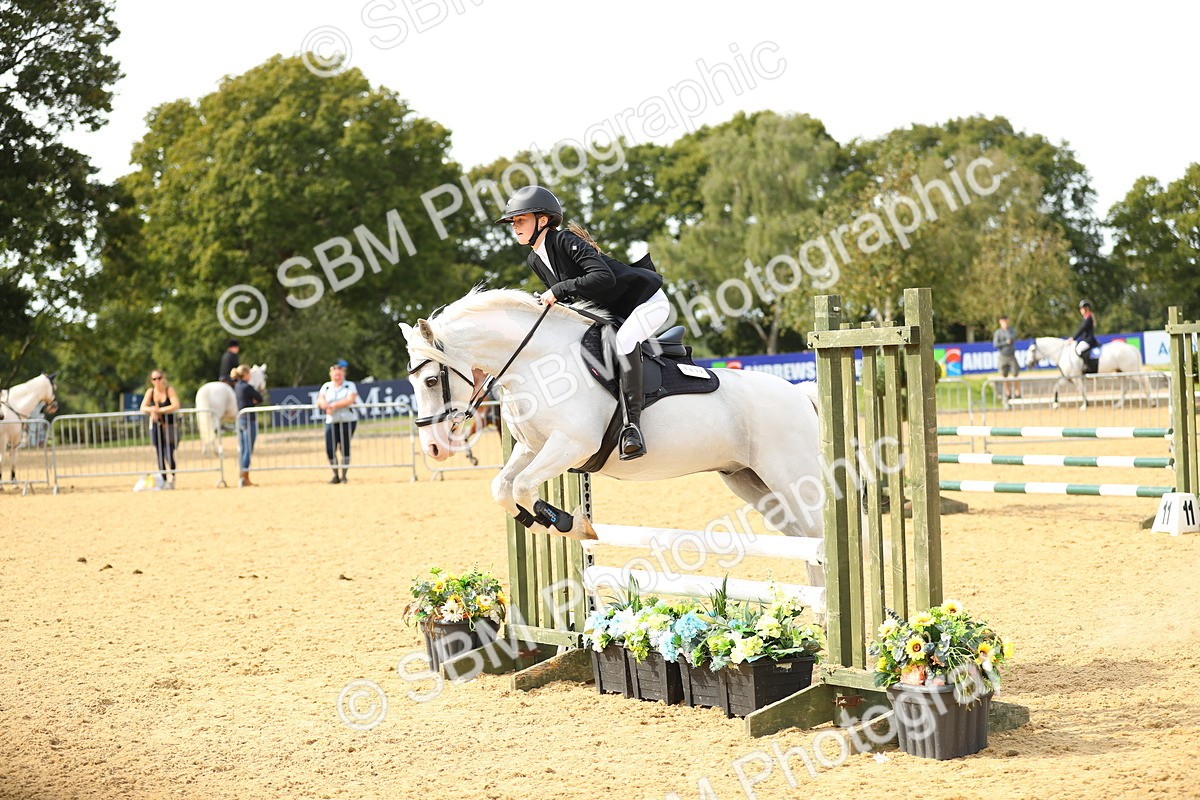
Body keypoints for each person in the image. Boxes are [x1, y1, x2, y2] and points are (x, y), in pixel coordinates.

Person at [494, 186, 668, 460]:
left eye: (521, 220)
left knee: (624, 341)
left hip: (645, 303)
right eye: (513, 222)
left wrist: (559, 290)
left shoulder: (564, 241)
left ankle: (631, 426)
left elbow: (603, 278)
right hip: (611, 312)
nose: (515, 227)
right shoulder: (535, 259)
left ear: (543, 220)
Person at [317, 359, 358, 484]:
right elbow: (320, 400)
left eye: (339, 372)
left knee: (344, 447)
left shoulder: (349, 385)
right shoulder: (326, 386)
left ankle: (344, 476)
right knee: (330, 448)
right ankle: (335, 475)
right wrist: (325, 406)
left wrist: (333, 405)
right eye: (334, 372)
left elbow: (350, 399)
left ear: (343, 374)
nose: (337, 374)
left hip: (347, 420)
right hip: (332, 421)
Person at [139, 369, 181, 489]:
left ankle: (172, 477)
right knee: (159, 454)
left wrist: (160, 410)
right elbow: (143, 407)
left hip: (169, 427)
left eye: (159, 378)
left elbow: (176, 405)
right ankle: (163, 479)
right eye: (154, 379)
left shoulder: (169, 390)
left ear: (163, 378)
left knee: (169, 453)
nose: (157, 381)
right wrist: (152, 409)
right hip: (156, 427)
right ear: (151, 381)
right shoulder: (150, 392)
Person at [232, 364, 263, 487]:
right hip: (249, 420)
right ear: (245, 374)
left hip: (240, 420)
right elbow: (259, 398)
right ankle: (244, 476)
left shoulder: (237, 387)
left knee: (243, 449)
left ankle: (242, 475)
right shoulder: (247, 387)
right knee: (248, 450)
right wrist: (253, 401)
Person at [992, 315, 1021, 401]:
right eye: (1003, 321)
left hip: (1011, 355)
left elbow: (1011, 339)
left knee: (1015, 374)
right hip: (1003, 356)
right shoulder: (997, 333)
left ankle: (1017, 393)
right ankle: (1008, 393)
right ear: (1000, 322)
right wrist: (1005, 342)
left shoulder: (1011, 330)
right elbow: (996, 344)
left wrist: (1007, 333)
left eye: (1006, 321)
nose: (1005, 322)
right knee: (1004, 375)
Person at [1070, 300, 1101, 371]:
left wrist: (1073, 338)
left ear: (1086, 308)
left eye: (1082, 308)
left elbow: (1082, 328)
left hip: (1088, 340)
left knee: (1079, 349)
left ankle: (1086, 366)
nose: (1080, 310)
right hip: (1085, 339)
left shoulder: (1088, 317)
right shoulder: (1086, 317)